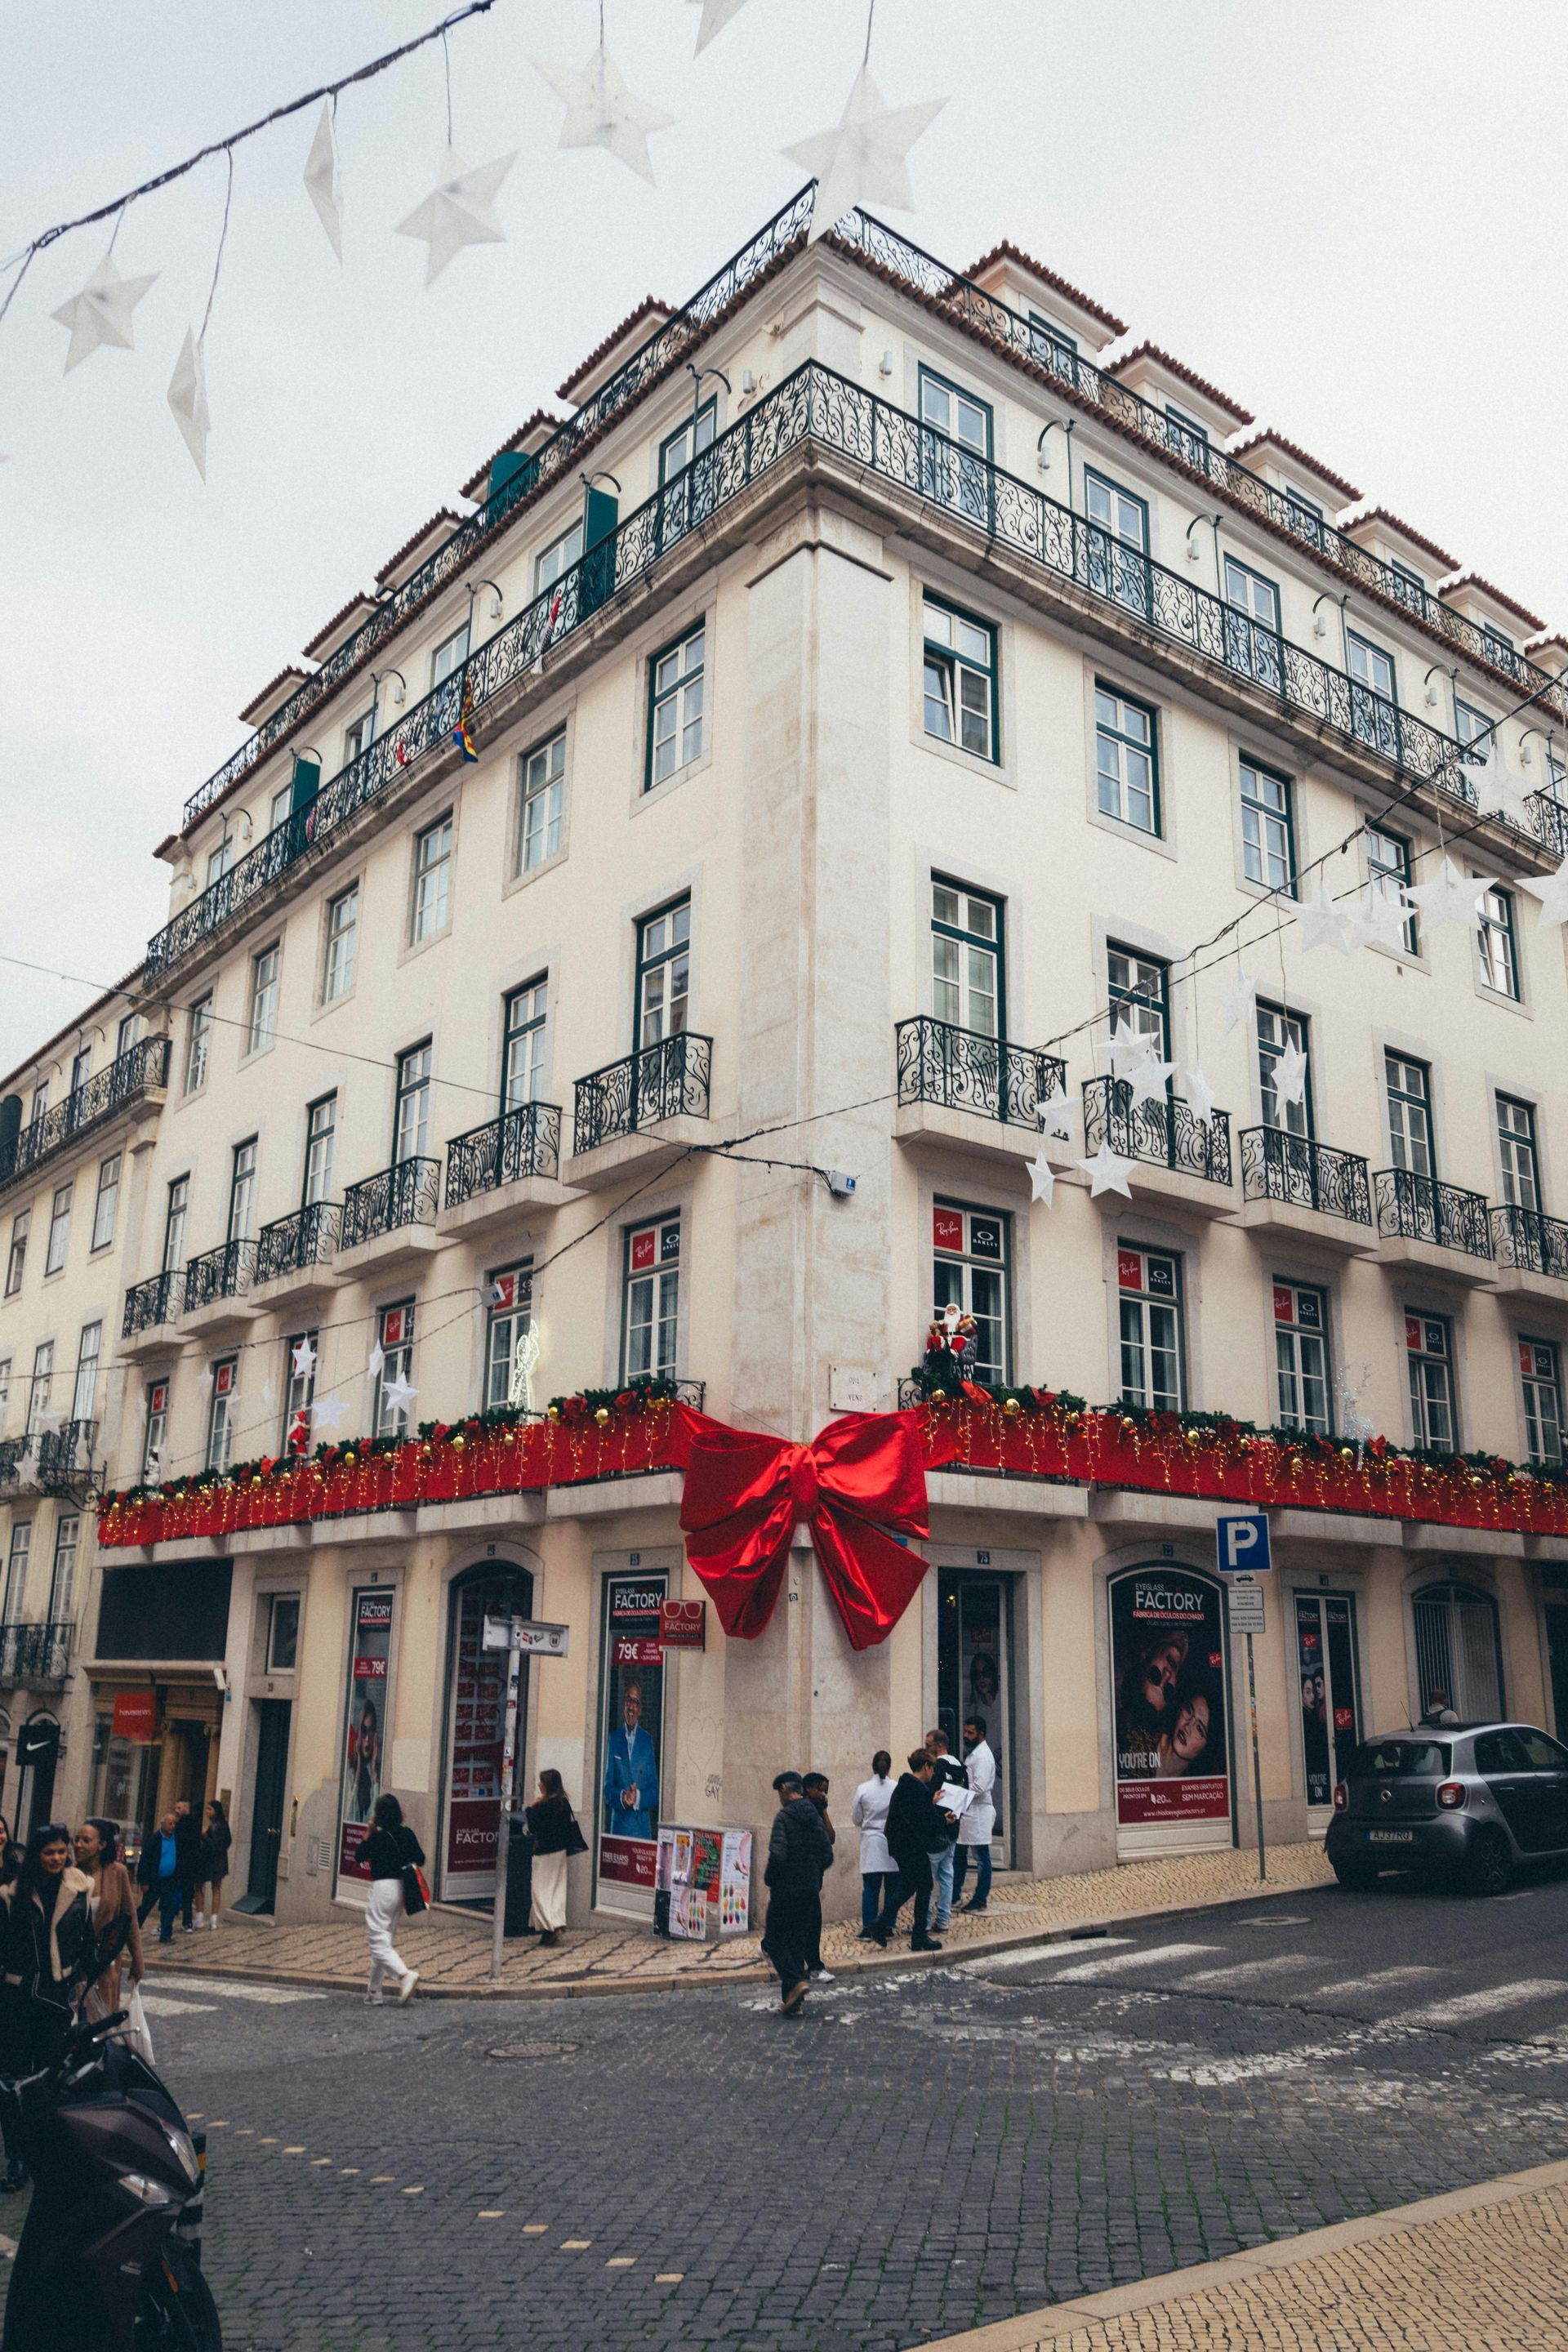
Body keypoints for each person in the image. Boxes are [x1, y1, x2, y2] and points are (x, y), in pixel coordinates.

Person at [0, 1823, 97, 2071]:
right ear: (36, 1855)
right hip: (18, 1993)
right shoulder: (13, 1893)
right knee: (15, 2067)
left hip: (56, 1993)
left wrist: (82, 1979)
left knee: (50, 2067)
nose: (56, 1858)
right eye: (49, 1853)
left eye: (61, 1852)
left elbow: (87, 1937)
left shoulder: (79, 1890)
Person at [760, 1771, 833, 2016]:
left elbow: (778, 1855)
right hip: (810, 1891)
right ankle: (794, 2004)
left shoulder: (783, 1818)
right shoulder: (814, 1816)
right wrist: (812, 1874)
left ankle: (796, 1981)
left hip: (785, 1891)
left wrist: (770, 1878)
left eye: (779, 1793)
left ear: (784, 1790)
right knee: (797, 1945)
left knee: (775, 1941)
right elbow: (827, 1854)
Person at [871, 1749, 950, 1952]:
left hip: (901, 1845)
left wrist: (930, 1802)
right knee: (925, 1885)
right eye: (932, 1769)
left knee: (907, 1887)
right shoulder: (917, 1788)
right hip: (911, 1846)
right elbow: (925, 1821)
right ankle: (919, 1937)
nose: (933, 1774)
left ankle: (880, 1926)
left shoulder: (905, 1785)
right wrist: (944, 1819)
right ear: (926, 1766)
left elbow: (915, 1812)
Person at [359, 1792, 423, 2007]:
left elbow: (359, 1856)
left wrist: (368, 1831)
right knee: (384, 1942)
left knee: (378, 1943)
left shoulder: (377, 1837)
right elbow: (420, 1859)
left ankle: (404, 1976)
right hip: (400, 1889)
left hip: (382, 1889)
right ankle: (374, 1992)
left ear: (378, 1816)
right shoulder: (407, 1834)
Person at [74, 1818, 143, 2017]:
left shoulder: (117, 1873)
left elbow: (130, 1919)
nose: (78, 1845)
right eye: (76, 1840)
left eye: (86, 1840)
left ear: (102, 1845)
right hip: (75, 1964)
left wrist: (138, 1960)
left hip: (104, 1962)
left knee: (101, 2024)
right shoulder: (69, 1873)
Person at [524, 1769, 585, 1949]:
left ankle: (548, 1928)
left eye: (541, 1782)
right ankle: (555, 1923)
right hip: (559, 1853)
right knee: (556, 1892)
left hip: (544, 1854)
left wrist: (531, 1808)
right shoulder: (563, 1804)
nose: (538, 1784)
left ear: (547, 1785)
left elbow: (534, 1826)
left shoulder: (543, 1807)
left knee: (540, 1893)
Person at [602, 1681, 660, 1842]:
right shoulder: (613, 1739)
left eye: (635, 1702)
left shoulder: (647, 1741)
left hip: (641, 1829)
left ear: (640, 1709)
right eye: (628, 1700)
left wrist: (637, 1797)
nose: (631, 1707)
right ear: (623, 1705)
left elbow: (655, 1792)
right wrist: (622, 1797)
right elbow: (607, 1790)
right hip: (620, 1828)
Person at [924, 1728, 966, 1933]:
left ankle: (924, 1920)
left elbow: (931, 1794)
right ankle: (943, 1919)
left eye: (927, 1746)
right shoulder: (961, 1766)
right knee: (947, 1874)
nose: (925, 1750)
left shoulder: (938, 1766)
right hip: (954, 1826)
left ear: (939, 1746)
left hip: (937, 1828)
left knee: (928, 1877)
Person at [850, 1752, 896, 1938]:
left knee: (871, 1888)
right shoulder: (896, 1787)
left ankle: (869, 1927)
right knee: (892, 1888)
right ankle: (889, 1926)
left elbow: (856, 1818)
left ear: (873, 1766)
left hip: (871, 1842)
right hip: (892, 1841)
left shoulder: (863, 1789)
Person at [955, 1716, 997, 1915]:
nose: (965, 1735)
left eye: (970, 1733)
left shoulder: (983, 1756)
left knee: (981, 1857)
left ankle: (981, 1899)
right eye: (965, 1731)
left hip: (978, 1811)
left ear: (981, 1734)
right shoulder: (974, 1754)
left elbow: (979, 1786)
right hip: (969, 1811)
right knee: (960, 1854)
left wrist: (957, 1791)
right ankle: (954, 1895)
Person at [800, 1771, 836, 1983]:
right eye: (820, 1790)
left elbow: (831, 1837)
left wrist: (824, 1810)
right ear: (808, 1789)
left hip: (814, 1875)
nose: (823, 1794)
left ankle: (812, 1965)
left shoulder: (818, 1810)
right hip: (803, 1875)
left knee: (808, 1920)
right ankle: (813, 1965)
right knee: (811, 1920)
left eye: (825, 1791)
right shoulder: (803, 1811)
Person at [136, 1811, 185, 1944]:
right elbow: (145, 1861)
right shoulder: (153, 1839)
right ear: (163, 1824)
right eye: (170, 1823)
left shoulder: (177, 1839)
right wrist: (144, 1881)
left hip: (170, 1880)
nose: (173, 1826)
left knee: (169, 1908)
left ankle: (166, 1935)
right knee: (145, 1907)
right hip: (154, 1880)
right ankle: (132, 1931)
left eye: (174, 1823)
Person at [1156, 1682, 1215, 1779]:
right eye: (1189, 1711)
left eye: (1199, 1729)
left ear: (1207, 1747)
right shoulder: (1140, 1739)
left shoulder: (1193, 1787)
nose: (1187, 1727)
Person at [194, 1797, 231, 1931]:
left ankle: (206, 1918)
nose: (207, 1812)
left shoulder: (219, 1827)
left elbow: (216, 1845)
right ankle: (207, 1918)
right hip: (215, 1861)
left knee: (207, 1887)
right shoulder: (220, 1826)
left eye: (210, 1809)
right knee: (210, 1887)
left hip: (213, 1861)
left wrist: (204, 1836)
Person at [348, 1698, 381, 1824]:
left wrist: (373, 1771)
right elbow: (350, 1813)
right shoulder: (349, 1771)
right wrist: (357, 1773)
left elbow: (374, 1817)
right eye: (364, 1732)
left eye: (371, 1731)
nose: (367, 1739)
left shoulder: (377, 1772)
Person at [172, 1797, 202, 1934]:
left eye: (179, 1808)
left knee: (174, 1893)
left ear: (186, 1809)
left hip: (181, 1864)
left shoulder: (181, 1825)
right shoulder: (196, 1823)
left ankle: (168, 1922)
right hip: (192, 1865)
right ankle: (187, 1922)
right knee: (188, 1895)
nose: (176, 1811)